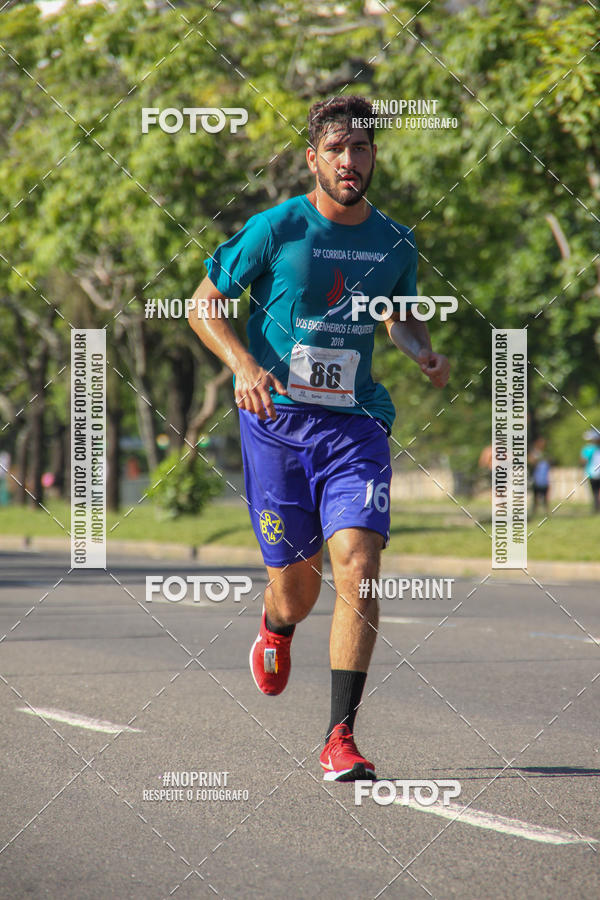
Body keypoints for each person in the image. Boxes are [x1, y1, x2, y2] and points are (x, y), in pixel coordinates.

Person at [189, 95, 450, 781]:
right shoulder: (277, 228)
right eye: (335, 149)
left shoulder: (394, 241)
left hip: (356, 422)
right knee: (296, 591)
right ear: (313, 158)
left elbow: (398, 314)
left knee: (359, 566)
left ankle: (340, 737)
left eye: (360, 148)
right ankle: (275, 628)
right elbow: (203, 303)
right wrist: (244, 364)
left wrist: (421, 350)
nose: (348, 160)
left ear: (373, 157)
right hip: (277, 426)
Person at [528, 437, 550, 515]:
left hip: (545, 479)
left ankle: (547, 513)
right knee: (535, 499)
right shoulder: (534, 454)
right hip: (536, 479)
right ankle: (534, 513)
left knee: (545, 499)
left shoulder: (545, 454)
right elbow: (531, 463)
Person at [581, 428, 600, 513]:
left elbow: (583, 461)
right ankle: (596, 507)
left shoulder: (588, 449)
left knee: (595, 492)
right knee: (596, 492)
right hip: (593, 473)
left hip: (592, 474)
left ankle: (596, 507)